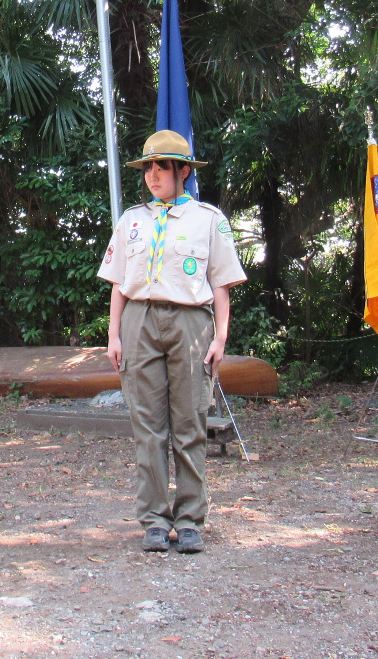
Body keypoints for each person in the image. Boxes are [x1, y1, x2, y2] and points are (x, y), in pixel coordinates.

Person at [97, 130, 246, 553]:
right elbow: (118, 284)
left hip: (190, 322)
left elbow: (221, 284)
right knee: (148, 427)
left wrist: (220, 337)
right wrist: (113, 335)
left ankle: (191, 519)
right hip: (139, 321)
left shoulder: (208, 219)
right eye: (148, 167)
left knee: (189, 423)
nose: (153, 175)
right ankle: (154, 521)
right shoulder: (132, 220)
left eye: (162, 167)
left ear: (183, 171)